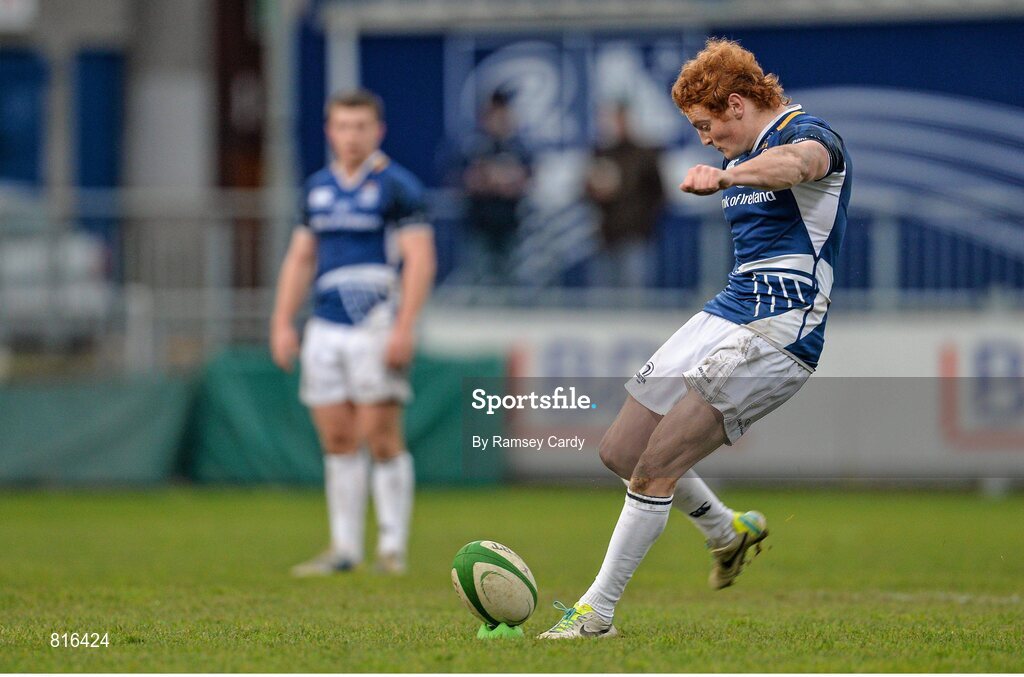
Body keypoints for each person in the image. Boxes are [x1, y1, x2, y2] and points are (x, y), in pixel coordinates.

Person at [539, 38, 851, 638]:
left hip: (781, 328)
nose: (704, 138)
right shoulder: (742, 151)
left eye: (706, 125)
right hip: (729, 309)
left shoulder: (809, 132)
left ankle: (594, 615)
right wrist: (732, 173)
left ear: (737, 104)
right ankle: (726, 531)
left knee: (654, 468)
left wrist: (729, 175)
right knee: (623, 451)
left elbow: (800, 165)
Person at [270, 89, 436, 576]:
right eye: (342, 126)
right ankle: (344, 547)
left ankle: (392, 548)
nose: (351, 136)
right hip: (325, 324)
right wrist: (282, 321)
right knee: (337, 437)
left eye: (361, 126)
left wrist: (405, 325)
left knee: (380, 434)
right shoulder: (317, 188)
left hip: (375, 323)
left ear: (377, 131)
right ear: (329, 131)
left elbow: (419, 259)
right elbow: (301, 257)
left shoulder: (397, 186)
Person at [584, 102, 665, 288]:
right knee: (603, 299)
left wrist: (643, 221)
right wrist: (595, 190)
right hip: (606, 238)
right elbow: (585, 192)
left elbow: (659, 194)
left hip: (635, 237)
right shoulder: (601, 153)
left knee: (634, 297)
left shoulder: (644, 155)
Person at [457, 89, 531, 285]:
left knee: (512, 280)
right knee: (479, 279)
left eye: (503, 114)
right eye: (494, 114)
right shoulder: (474, 144)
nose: (499, 119)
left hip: (510, 222)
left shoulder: (517, 146)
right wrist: (493, 179)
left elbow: (527, 179)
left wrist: (503, 179)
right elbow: (467, 179)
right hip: (480, 222)